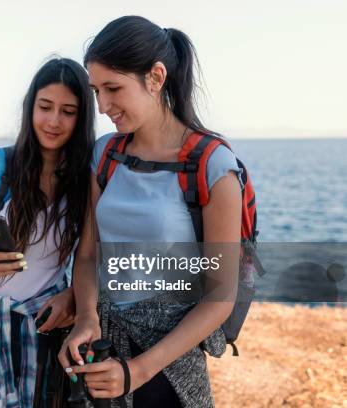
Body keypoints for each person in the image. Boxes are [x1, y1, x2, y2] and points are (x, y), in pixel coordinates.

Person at [58, 16, 242, 408]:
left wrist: (138, 370)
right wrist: (86, 318)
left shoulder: (212, 165)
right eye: (96, 91)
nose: (103, 106)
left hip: (168, 369)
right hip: (102, 355)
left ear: (156, 78)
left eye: (113, 88)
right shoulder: (105, 154)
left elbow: (220, 295)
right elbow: (89, 254)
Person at [0, 57, 95, 408]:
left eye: (68, 111)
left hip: (46, 327)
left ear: (82, 117)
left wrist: (73, 295)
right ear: (30, 108)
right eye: (45, 107)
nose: (53, 121)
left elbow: (88, 257)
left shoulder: (86, 180)